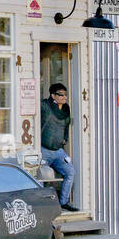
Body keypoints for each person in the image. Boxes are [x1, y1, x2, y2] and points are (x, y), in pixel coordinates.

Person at [41, 83, 78, 212]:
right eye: (60, 95)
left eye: (65, 95)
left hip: (58, 151)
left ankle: (64, 202)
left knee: (70, 171)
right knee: (40, 175)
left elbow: (66, 127)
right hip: (44, 150)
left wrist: (65, 140)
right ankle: (41, 205)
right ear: (53, 96)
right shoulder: (46, 106)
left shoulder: (66, 110)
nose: (64, 97)